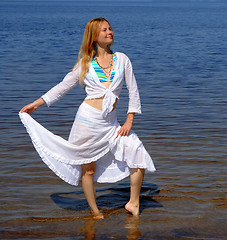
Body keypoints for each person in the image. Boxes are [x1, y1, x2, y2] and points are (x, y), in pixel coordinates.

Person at [19, 18, 156, 219]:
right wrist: (36, 103)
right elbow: (62, 87)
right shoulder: (85, 63)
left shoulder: (122, 59)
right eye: (104, 30)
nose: (110, 32)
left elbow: (133, 91)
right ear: (94, 36)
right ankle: (95, 212)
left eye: (110, 29)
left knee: (137, 153)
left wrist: (129, 121)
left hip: (111, 124)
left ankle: (133, 203)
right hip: (87, 122)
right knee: (88, 170)